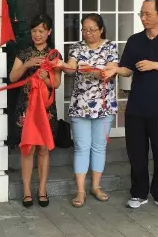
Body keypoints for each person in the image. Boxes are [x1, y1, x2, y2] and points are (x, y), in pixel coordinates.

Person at [104, 0, 158, 212]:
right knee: (136, 153)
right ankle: (139, 193)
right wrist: (115, 69)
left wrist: (155, 65)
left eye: (147, 14)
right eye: (141, 13)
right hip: (136, 107)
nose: (143, 18)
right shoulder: (135, 41)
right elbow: (127, 69)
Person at [61, 14, 118, 208]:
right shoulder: (76, 47)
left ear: (101, 29)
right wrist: (62, 66)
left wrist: (92, 71)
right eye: (84, 29)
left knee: (99, 147)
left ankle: (96, 186)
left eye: (92, 29)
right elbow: (71, 68)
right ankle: (80, 190)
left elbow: (110, 72)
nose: (88, 33)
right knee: (81, 147)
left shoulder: (110, 47)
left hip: (104, 105)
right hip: (80, 105)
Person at [9, 13, 62, 208]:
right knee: (28, 148)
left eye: (41, 31)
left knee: (43, 148)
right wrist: (28, 65)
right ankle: (26, 191)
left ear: (49, 32)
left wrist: (45, 78)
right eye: (34, 31)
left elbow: (56, 84)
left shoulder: (54, 55)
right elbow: (13, 78)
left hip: (45, 108)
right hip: (26, 107)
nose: (37, 34)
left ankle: (42, 190)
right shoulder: (24, 53)